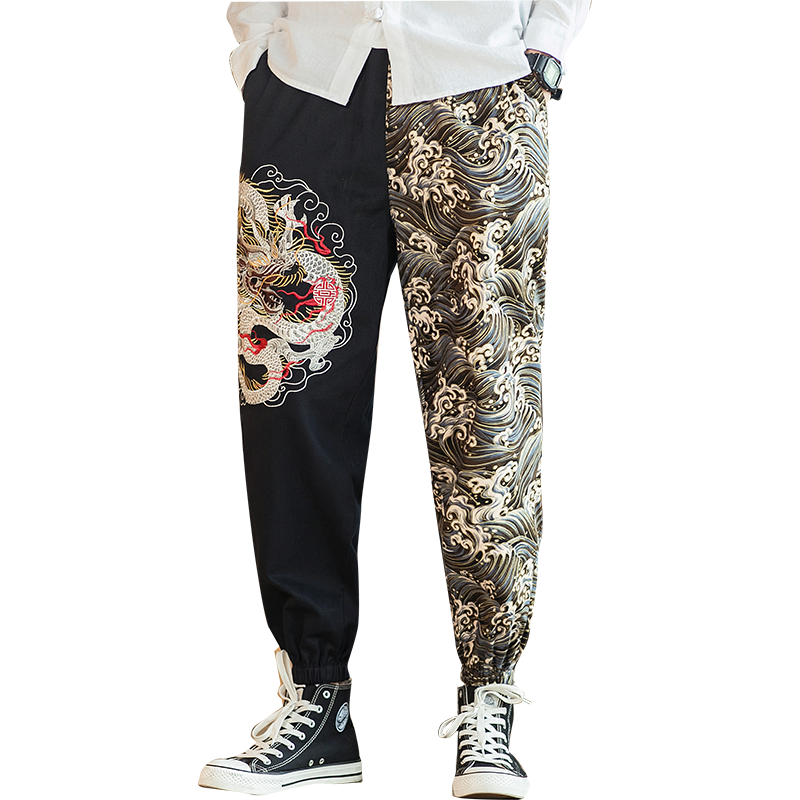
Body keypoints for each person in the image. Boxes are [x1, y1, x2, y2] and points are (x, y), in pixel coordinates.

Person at [199, 1, 588, 797]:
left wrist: (546, 49)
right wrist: (257, 50)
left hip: (478, 90)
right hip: (310, 80)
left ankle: (487, 699)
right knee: (291, 399)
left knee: (487, 401)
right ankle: (318, 698)